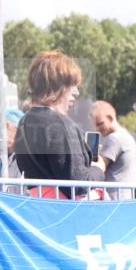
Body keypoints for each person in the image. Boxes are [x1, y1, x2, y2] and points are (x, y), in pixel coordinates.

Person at [13, 51, 100, 192]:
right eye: (71, 85)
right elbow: (79, 185)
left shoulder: (24, 121)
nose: (76, 93)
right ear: (55, 85)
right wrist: (99, 170)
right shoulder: (59, 124)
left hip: (41, 207)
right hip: (67, 210)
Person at [90, 100, 136, 198]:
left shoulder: (113, 139)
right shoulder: (126, 136)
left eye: (100, 124)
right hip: (126, 196)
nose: (97, 129)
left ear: (110, 117)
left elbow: (100, 167)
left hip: (115, 198)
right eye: (96, 125)